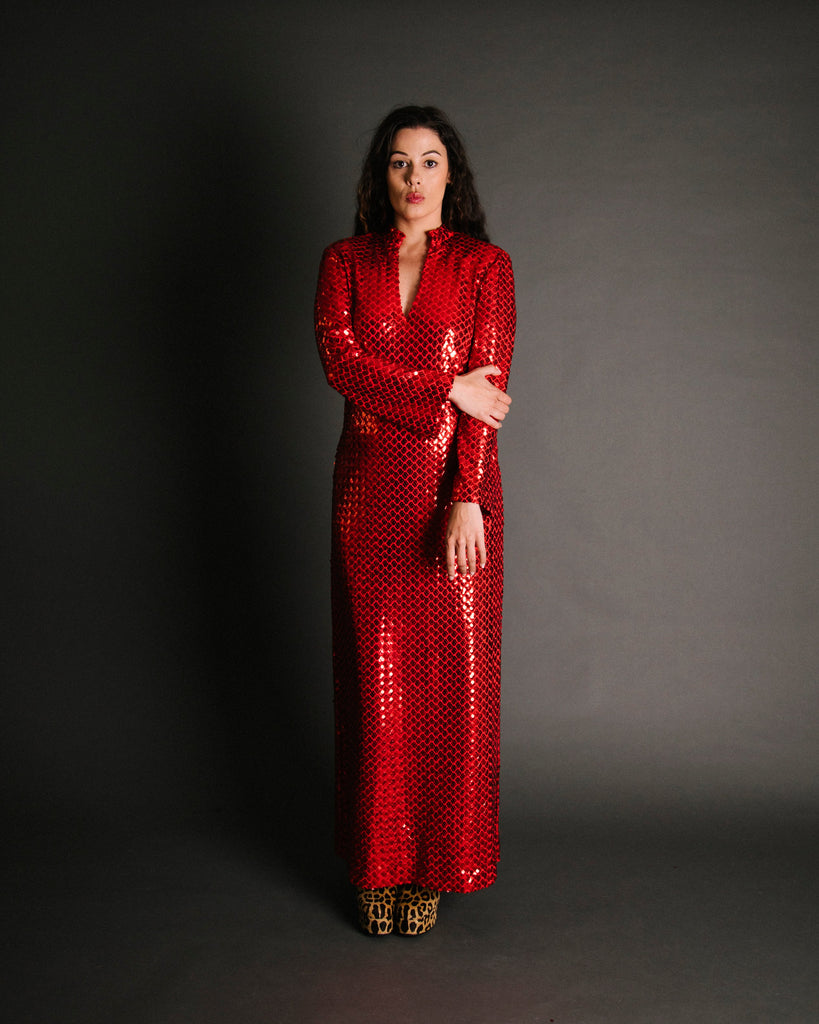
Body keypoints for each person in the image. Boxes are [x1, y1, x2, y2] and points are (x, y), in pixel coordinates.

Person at [314, 105, 516, 936]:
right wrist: (442, 389)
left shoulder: (483, 266)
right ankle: (377, 862)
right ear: (381, 174)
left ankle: (432, 865)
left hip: (453, 498)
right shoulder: (343, 262)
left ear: (449, 174)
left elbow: (486, 399)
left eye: (429, 161)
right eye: (399, 162)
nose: (414, 177)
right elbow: (342, 365)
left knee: (449, 687)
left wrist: (465, 494)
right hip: (367, 496)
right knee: (375, 684)